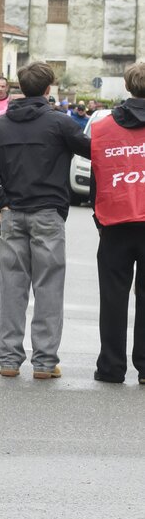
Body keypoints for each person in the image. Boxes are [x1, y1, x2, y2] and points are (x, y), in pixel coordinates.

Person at [0, 61, 91, 380]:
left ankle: (9, 360)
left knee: (12, 288)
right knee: (49, 288)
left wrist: (0, 202)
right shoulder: (60, 123)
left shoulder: (1, 125)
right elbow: (93, 151)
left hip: (13, 214)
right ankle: (44, 362)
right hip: (48, 214)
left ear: (19, 88)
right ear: (47, 89)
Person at [89, 62, 145, 384]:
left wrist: (99, 218)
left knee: (112, 298)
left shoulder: (104, 127)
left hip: (115, 221)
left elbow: (98, 175)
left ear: (127, 86)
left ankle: (111, 367)